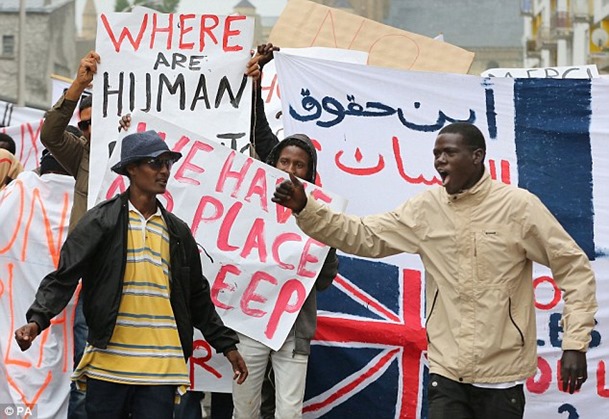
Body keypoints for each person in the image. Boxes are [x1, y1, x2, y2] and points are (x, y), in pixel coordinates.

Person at [272, 122, 598, 419]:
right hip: (447, 371)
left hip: (502, 374)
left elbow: (573, 269)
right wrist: (305, 208)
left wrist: (574, 343)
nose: (440, 160)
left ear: (477, 156)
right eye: (436, 154)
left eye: (449, 153)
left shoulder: (519, 207)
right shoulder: (426, 208)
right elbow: (364, 236)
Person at [14, 130, 248, 419]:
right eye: (155, 163)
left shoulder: (177, 232)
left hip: (161, 366)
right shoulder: (100, 221)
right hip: (108, 363)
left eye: (168, 163)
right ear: (131, 169)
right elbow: (64, 276)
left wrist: (227, 346)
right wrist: (36, 321)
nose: (164, 171)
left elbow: (197, 295)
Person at [231, 133, 339, 419]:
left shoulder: (319, 214)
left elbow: (326, 279)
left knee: (289, 412)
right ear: (273, 163)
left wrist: (321, 240)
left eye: (299, 165)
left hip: (293, 329)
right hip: (250, 323)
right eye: (284, 161)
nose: (290, 170)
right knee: (244, 410)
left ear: (310, 172)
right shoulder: (249, 206)